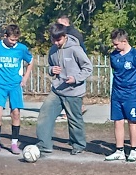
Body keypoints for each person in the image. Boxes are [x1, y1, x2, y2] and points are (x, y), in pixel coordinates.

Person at [36, 22, 93, 156]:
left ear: (65, 36)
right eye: (54, 40)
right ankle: (44, 145)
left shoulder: (75, 49)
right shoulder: (52, 50)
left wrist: (76, 78)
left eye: (59, 40)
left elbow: (88, 67)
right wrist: (51, 70)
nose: (56, 43)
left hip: (74, 91)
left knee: (74, 120)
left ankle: (78, 145)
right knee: (45, 114)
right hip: (57, 90)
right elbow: (51, 66)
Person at [0, 23, 33, 155]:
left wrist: (25, 77)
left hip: (15, 85)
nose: (13, 42)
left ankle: (14, 144)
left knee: (15, 113)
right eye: (11, 40)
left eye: (16, 40)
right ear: (5, 36)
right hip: (0, 85)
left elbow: (30, 61)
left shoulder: (21, 48)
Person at [105, 28, 136, 162]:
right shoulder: (113, 56)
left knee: (132, 122)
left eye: (116, 44)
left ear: (124, 41)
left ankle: (133, 150)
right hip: (117, 94)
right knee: (118, 121)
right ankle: (119, 150)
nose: (114, 47)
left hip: (132, 95)